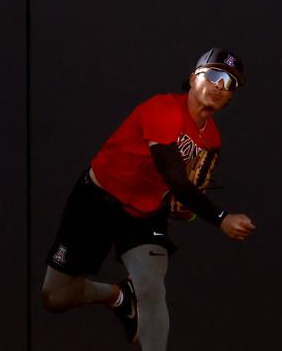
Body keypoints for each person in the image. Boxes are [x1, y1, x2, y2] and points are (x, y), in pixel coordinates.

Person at [42, 47, 256, 350]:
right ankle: (118, 297)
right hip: (97, 200)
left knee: (151, 285)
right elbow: (176, 180)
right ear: (194, 77)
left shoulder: (212, 139)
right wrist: (220, 218)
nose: (221, 85)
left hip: (143, 214)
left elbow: (187, 193)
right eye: (215, 74)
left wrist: (186, 209)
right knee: (55, 297)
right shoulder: (163, 109)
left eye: (231, 82)